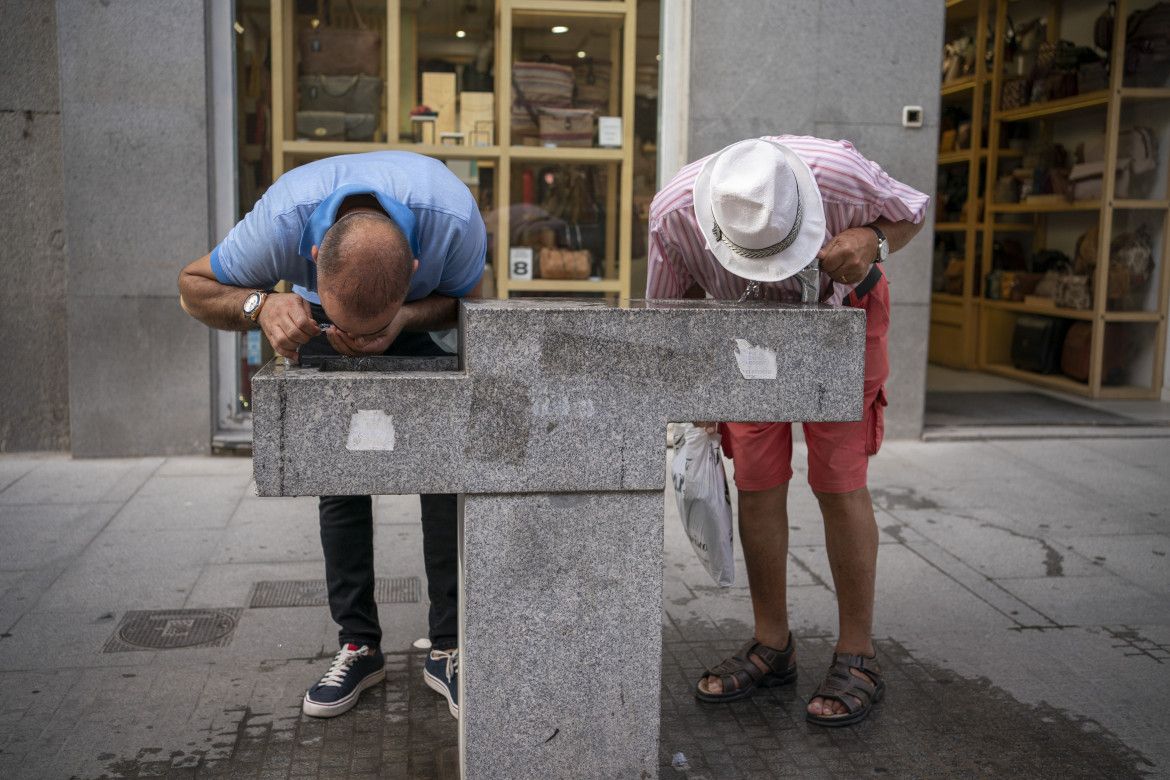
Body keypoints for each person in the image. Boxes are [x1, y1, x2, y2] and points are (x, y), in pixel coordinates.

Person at [178, 151, 486, 720]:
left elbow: (474, 301)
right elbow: (191, 287)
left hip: (417, 322)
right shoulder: (283, 219)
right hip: (315, 314)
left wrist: (405, 321)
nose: (356, 339)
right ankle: (358, 645)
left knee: (448, 472)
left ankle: (450, 644)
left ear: (417, 267)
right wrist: (260, 304)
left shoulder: (455, 217)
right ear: (312, 258)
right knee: (338, 473)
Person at [647, 136, 928, 726]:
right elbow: (668, 317)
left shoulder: (842, 173)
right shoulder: (672, 214)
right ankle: (772, 643)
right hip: (745, 329)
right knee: (756, 477)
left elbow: (911, 212)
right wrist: (696, 395)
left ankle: (859, 654)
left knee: (838, 479)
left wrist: (871, 240)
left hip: (843, 313)